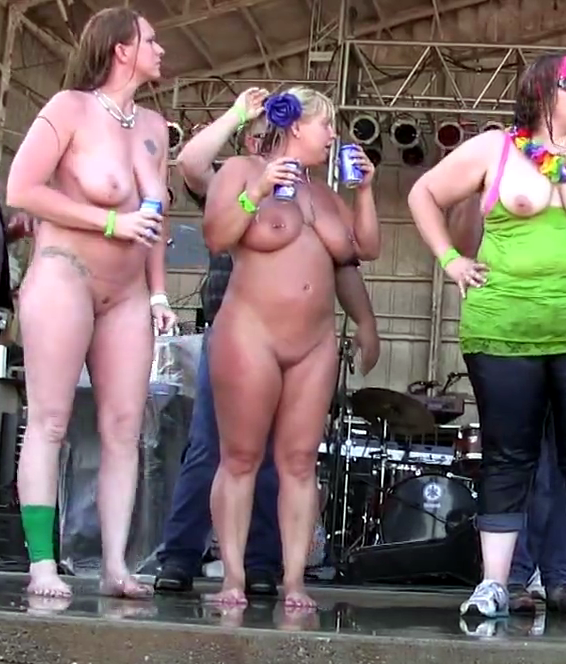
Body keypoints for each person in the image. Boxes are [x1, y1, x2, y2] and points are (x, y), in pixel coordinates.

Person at [408, 53, 566, 624]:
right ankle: (494, 584)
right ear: (542, 90)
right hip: (505, 327)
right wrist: (451, 260)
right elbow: (423, 194)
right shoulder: (494, 149)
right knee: (508, 456)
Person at [155, 89, 380, 596]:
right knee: (236, 457)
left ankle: (292, 580)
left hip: (313, 343)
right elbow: (217, 235)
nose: (332, 135)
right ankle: (232, 577)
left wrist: (365, 191)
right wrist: (256, 191)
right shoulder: (240, 170)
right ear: (296, 126)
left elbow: (364, 250)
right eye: (326, 124)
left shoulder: (326, 195)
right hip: (249, 333)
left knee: (299, 463)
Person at [5, 7, 176, 599]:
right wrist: (109, 222)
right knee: (50, 420)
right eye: (150, 40)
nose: (160, 49)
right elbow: (22, 189)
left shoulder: (153, 125)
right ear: (122, 48)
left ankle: (115, 566)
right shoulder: (69, 108)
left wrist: (159, 291)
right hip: (65, 273)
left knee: (124, 427)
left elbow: (158, 218)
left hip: (127, 292)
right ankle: (42, 564)